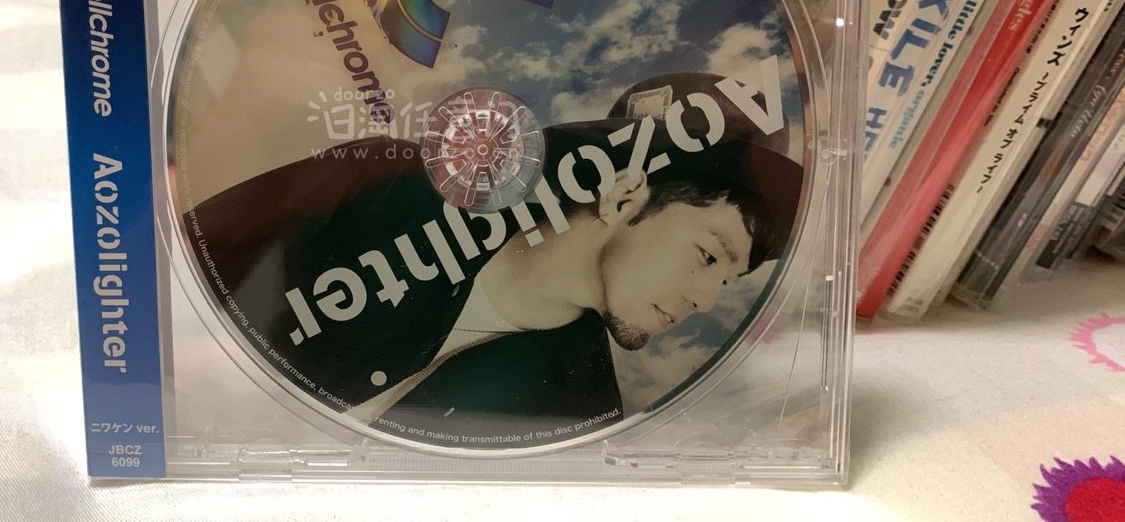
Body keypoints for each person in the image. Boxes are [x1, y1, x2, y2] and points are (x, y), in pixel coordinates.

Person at [183, 71, 803, 448]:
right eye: (708, 255)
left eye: (728, 279)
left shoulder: (582, 420)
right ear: (624, 195)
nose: (706, 299)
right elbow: (177, 276)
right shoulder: (378, 184)